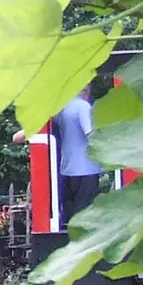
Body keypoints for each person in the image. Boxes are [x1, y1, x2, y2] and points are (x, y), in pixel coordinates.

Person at [50, 87, 102, 224]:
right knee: (84, 213)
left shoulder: (61, 109)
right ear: (87, 91)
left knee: (70, 213)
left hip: (66, 168)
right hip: (87, 167)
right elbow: (91, 135)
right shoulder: (83, 107)